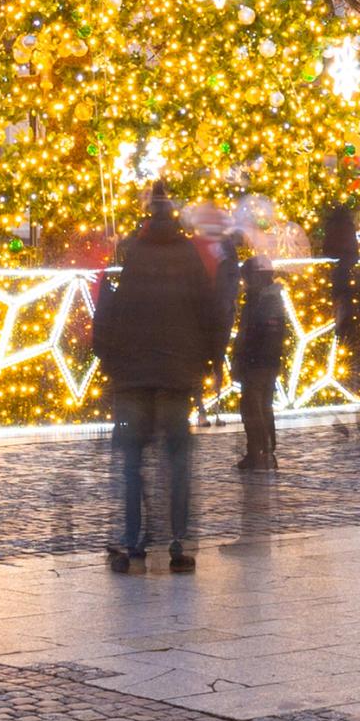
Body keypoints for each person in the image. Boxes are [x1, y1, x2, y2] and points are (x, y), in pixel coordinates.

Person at [92, 185, 223, 572]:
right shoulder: (188, 257)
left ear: (148, 216)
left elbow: (110, 314)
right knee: (177, 460)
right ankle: (179, 543)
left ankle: (132, 540)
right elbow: (209, 313)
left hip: (132, 376)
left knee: (131, 460)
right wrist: (212, 362)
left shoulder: (131, 254)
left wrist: (112, 361)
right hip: (176, 375)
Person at [233, 239, 286, 474]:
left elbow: (257, 333)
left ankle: (261, 452)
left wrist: (245, 357)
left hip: (259, 363)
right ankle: (259, 451)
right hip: (262, 362)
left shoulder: (265, 300)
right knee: (258, 407)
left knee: (255, 408)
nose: (244, 282)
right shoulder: (262, 299)